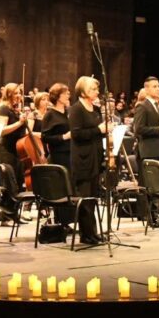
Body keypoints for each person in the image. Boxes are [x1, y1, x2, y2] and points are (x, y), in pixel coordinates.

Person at [132, 76, 159, 228]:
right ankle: (150, 216)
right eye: (155, 86)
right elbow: (138, 129)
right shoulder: (142, 106)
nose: (158, 89)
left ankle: (155, 214)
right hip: (147, 150)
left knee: (156, 183)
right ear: (147, 89)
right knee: (149, 185)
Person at [68, 76, 106, 245]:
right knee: (85, 197)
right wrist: (98, 129)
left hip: (96, 157)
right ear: (82, 92)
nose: (97, 92)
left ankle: (93, 232)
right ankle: (86, 234)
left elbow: (97, 133)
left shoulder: (96, 110)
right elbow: (76, 134)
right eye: (92, 89)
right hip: (83, 159)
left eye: (97, 89)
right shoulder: (76, 109)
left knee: (93, 196)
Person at [38, 82, 73, 228]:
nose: (68, 95)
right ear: (58, 97)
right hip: (59, 155)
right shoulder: (50, 115)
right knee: (62, 188)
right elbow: (45, 137)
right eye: (66, 93)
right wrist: (63, 137)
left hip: (70, 153)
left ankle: (70, 221)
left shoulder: (68, 112)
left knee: (70, 187)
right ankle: (63, 222)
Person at [0, 83, 31, 191]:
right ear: (8, 94)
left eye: (20, 93)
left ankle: (16, 207)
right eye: (15, 93)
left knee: (19, 184)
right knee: (9, 185)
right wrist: (20, 122)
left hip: (19, 152)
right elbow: (1, 131)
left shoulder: (17, 110)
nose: (19, 95)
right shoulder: (3, 108)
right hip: (7, 150)